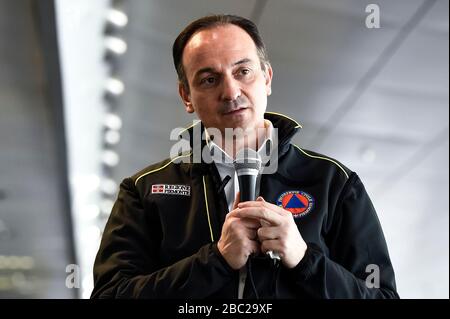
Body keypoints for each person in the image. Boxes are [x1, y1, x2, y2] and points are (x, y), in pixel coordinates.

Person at [91, 14, 399, 299]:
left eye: (243, 71)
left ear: (266, 77)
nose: (230, 91)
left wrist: (305, 260)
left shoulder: (334, 183)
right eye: (209, 79)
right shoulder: (144, 192)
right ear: (186, 96)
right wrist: (215, 261)